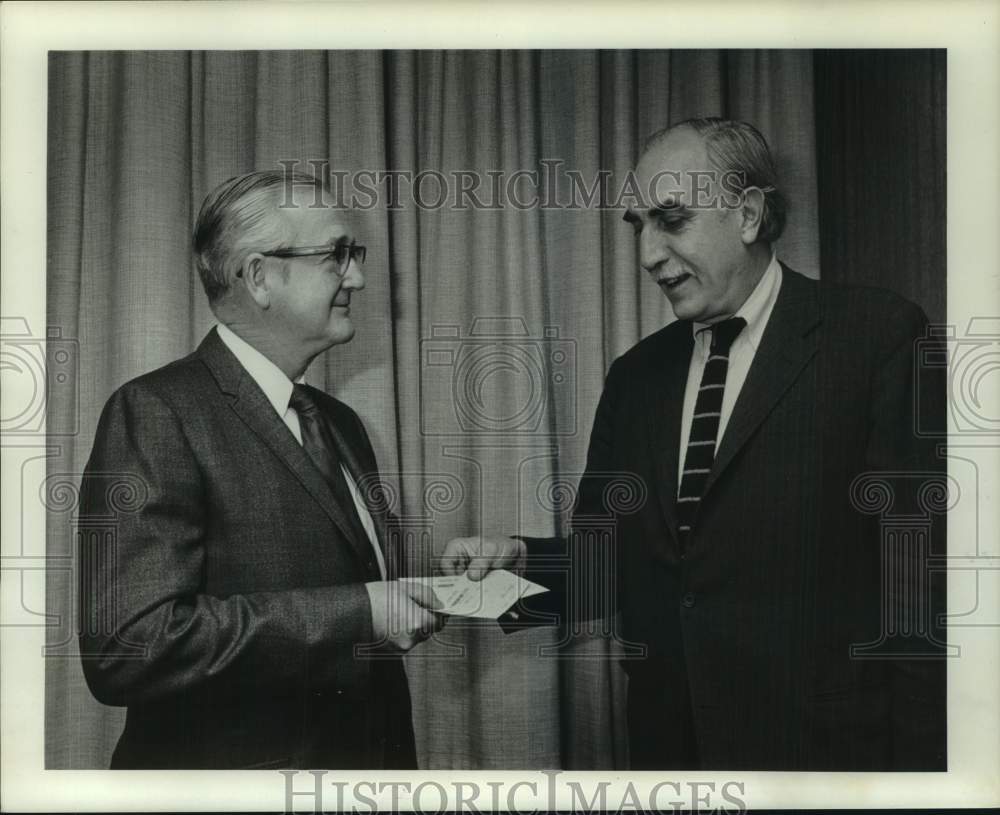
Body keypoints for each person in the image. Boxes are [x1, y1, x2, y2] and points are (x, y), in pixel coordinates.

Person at [441, 118, 947, 771]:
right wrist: (512, 560)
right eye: (638, 226)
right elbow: (613, 569)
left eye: (671, 220)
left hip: (827, 761)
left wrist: (923, 778)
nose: (648, 253)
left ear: (748, 213)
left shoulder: (876, 337)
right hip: (673, 757)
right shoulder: (636, 376)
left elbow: (917, 588)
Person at [78, 171, 444, 769]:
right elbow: (129, 646)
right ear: (259, 276)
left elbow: (343, 578)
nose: (358, 276)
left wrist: (447, 583)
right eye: (336, 255)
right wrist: (365, 611)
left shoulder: (341, 422)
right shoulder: (155, 412)